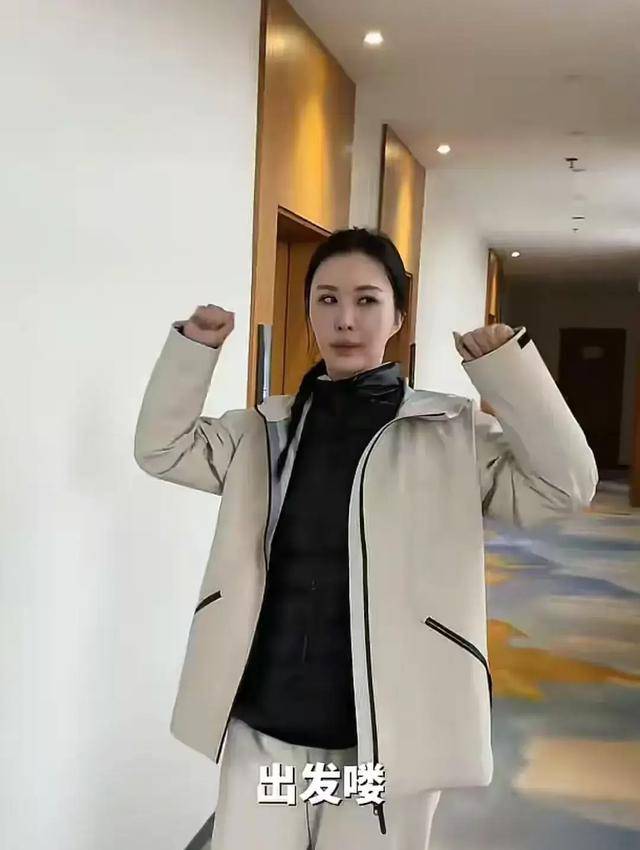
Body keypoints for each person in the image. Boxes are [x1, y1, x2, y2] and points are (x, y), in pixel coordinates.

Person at [134, 227, 598, 850]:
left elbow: (565, 486)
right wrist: (195, 350)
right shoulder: (265, 429)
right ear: (308, 312)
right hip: (268, 725)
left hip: (383, 737)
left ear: (398, 316)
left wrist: (507, 371)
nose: (345, 319)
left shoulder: (447, 433)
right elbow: (162, 449)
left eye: (366, 300)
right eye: (326, 299)